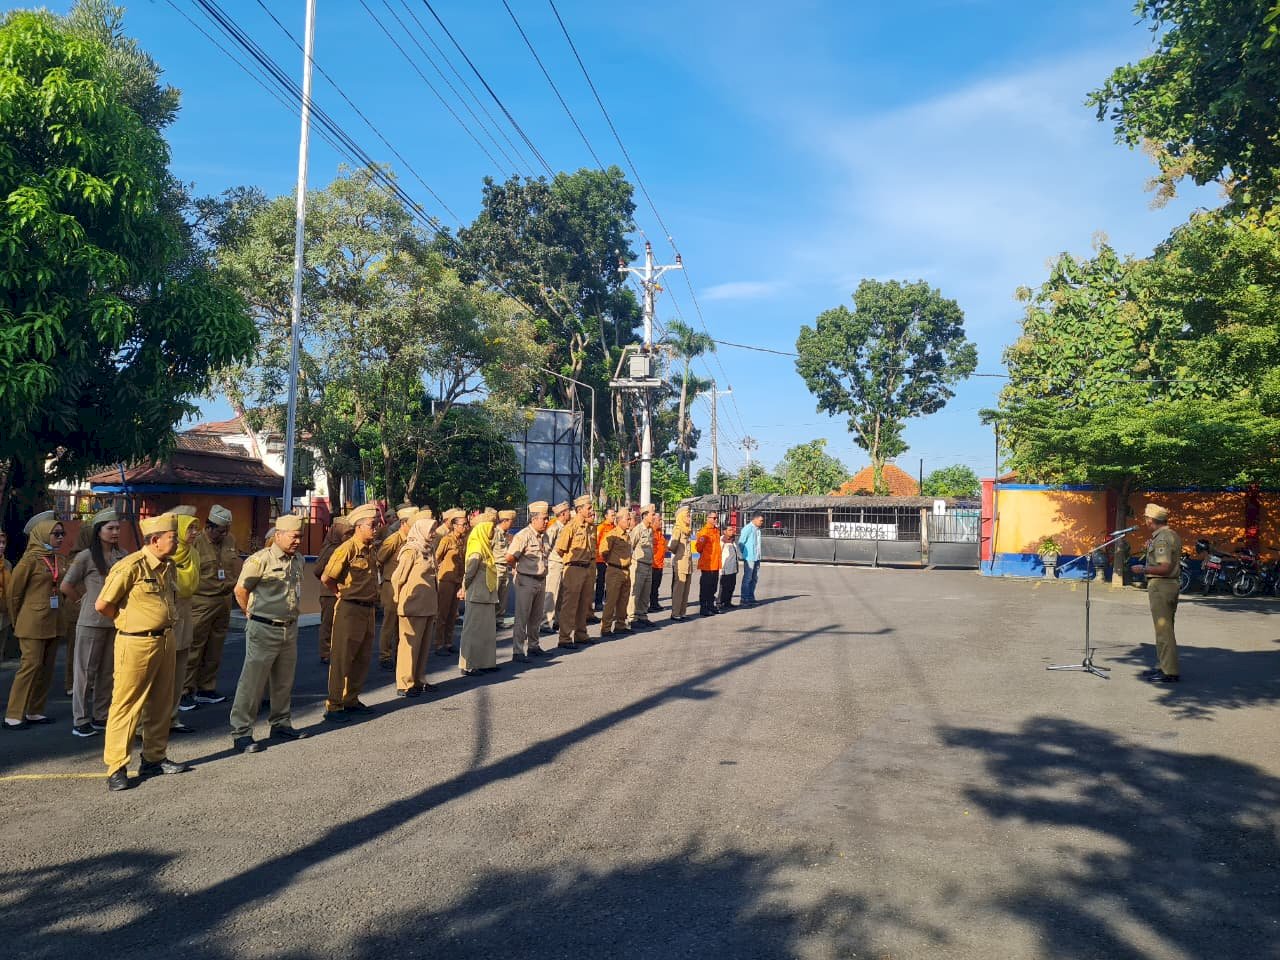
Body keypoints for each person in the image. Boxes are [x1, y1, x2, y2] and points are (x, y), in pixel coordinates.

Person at [96, 513, 189, 791]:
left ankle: (154, 757)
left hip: (165, 640)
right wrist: (129, 623)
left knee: (162, 702)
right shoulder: (131, 566)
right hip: (135, 642)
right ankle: (116, 767)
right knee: (127, 705)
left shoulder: (168, 566)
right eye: (173, 537)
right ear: (155, 540)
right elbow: (104, 605)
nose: (177, 541)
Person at [228, 515, 309, 753]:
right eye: (294, 536)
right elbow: (241, 590)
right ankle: (242, 732)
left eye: (300, 537)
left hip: (289, 627)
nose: (297, 541)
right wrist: (249, 612)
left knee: (284, 681)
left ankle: (281, 723)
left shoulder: (299, 560)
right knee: (252, 683)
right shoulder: (259, 560)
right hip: (263, 627)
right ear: (278, 535)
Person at [61, 509, 125, 737]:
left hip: (114, 622)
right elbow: (65, 586)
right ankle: (80, 720)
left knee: (107, 672)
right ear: (99, 532)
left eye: (117, 528)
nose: (115, 532)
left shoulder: (123, 556)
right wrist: (83, 602)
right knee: (85, 673)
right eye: (110, 528)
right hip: (90, 622)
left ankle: (100, 715)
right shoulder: (85, 557)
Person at [4, 511, 66, 729]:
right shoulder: (28, 561)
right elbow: (14, 595)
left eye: (62, 534)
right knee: (30, 666)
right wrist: (17, 620)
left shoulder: (58, 559)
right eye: (55, 534)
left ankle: (35, 710)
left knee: (46, 668)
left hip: (54, 621)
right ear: (41, 535)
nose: (60, 537)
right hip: (31, 623)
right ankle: (13, 714)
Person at [320, 502, 381, 723]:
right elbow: (327, 577)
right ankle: (334, 705)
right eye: (372, 525)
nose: (376, 529)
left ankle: (351, 700)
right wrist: (339, 594)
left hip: (368, 610)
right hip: (349, 608)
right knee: (342, 659)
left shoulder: (371, 549)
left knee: (362, 658)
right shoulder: (347, 549)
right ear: (359, 526)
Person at [185, 505, 239, 707]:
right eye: (220, 530)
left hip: (223, 601)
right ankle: (185, 690)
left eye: (226, 530)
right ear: (209, 526)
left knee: (215, 648)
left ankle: (207, 688)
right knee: (194, 647)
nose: (223, 534)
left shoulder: (230, 540)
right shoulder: (195, 543)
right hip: (201, 601)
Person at [158, 507, 201, 734]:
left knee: (180, 670)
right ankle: (150, 722)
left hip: (185, 613)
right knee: (161, 673)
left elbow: (192, 585)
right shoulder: (164, 555)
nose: (194, 532)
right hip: (166, 617)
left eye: (195, 528)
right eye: (190, 528)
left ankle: (173, 717)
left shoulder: (193, 553)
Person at [1133, 503, 1182, 683]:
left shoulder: (1162, 538)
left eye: (1146, 518)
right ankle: (1164, 666)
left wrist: (1143, 568)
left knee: (1164, 630)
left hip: (1162, 585)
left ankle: (1169, 672)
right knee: (1164, 629)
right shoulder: (1169, 535)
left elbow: (1164, 567)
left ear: (1151, 520)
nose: (1145, 521)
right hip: (1167, 586)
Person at [390, 512, 438, 696]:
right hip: (412, 605)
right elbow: (397, 578)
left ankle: (419, 679)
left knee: (424, 645)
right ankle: (405, 683)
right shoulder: (411, 550)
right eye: (431, 530)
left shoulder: (428, 548)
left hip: (427, 605)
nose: (433, 533)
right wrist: (398, 598)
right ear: (421, 530)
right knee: (409, 646)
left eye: (434, 530)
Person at [507, 501, 551, 661]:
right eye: (544, 518)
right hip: (526, 579)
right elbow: (510, 557)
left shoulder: (544, 536)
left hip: (540, 579)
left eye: (547, 518)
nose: (547, 521)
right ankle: (518, 651)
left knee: (536, 616)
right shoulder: (523, 535)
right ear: (533, 519)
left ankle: (534, 646)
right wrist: (516, 570)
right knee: (522, 617)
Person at [377, 503, 417, 669]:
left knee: (403, 623)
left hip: (406, 586)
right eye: (412, 524)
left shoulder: (412, 540)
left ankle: (399, 654)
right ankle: (385, 655)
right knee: (389, 622)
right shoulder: (393, 539)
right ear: (403, 524)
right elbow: (379, 559)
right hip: (390, 585)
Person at [555, 495, 597, 648]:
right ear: (579, 510)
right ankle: (564, 638)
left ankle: (581, 634)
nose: (592, 511)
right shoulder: (570, 527)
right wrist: (571, 560)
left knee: (584, 604)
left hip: (587, 568)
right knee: (570, 605)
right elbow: (560, 549)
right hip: (573, 568)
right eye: (589, 508)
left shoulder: (589, 527)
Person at [459, 515, 499, 675]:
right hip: (477, 594)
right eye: (490, 529)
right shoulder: (476, 547)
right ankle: (468, 664)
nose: (493, 532)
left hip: (486, 594)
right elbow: (469, 573)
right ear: (483, 530)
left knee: (486, 631)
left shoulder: (485, 546)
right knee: (473, 631)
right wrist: (464, 588)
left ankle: (485, 663)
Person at [313, 516, 352, 664]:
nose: (347, 536)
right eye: (345, 533)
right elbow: (317, 570)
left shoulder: (344, 546)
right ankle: (325, 652)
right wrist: (330, 580)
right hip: (329, 592)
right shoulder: (330, 548)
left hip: (341, 592)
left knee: (341, 625)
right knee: (328, 624)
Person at [433, 509, 467, 656]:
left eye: (466, 524)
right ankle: (439, 644)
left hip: (457, 580)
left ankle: (448, 642)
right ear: (454, 525)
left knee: (453, 613)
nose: (465, 527)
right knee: (443, 613)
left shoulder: (462, 540)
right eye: (462, 524)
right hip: (446, 580)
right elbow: (436, 557)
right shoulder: (447, 540)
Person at [600, 510, 634, 638]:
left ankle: (620, 625)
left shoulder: (627, 535)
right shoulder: (612, 535)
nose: (629, 521)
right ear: (619, 520)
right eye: (627, 519)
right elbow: (603, 551)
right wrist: (611, 561)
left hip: (626, 570)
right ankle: (606, 628)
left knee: (623, 600)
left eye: (630, 519)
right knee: (611, 600)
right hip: (615, 570)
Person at [627, 504, 656, 630]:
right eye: (652, 514)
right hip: (638, 565)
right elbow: (630, 546)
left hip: (648, 565)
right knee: (635, 593)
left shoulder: (650, 530)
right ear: (645, 515)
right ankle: (632, 618)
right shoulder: (638, 529)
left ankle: (642, 615)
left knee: (645, 592)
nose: (654, 516)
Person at [543, 501, 570, 634]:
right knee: (552, 593)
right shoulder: (554, 528)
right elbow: (546, 547)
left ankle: (557, 621)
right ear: (563, 514)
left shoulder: (566, 527)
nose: (569, 514)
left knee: (561, 595)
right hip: (555, 563)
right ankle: (545, 622)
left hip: (564, 564)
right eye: (568, 512)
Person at [668, 507, 694, 621]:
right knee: (679, 589)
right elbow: (673, 546)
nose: (689, 518)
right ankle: (675, 612)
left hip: (688, 562)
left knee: (686, 589)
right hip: (680, 562)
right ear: (681, 517)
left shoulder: (688, 530)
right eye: (687, 516)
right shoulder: (678, 529)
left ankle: (682, 612)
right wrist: (678, 553)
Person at [695, 512, 723, 616]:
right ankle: (704, 608)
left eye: (717, 518)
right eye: (714, 518)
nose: (716, 519)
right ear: (708, 518)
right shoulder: (704, 531)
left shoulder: (716, 530)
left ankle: (711, 606)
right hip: (707, 564)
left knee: (713, 587)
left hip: (715, 563)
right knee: (705, 587)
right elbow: (698, 548)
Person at [493, 509, 516, 628]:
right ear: (505, 521)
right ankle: (490, 621)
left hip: (505, 568)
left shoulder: (507, 535)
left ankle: (499, 620)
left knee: (503, 597)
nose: (513, 523)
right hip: (496, 567)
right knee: (493, 596)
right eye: (511, 521)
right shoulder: (495, 533)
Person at [593, 506, 616, 613]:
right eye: (612, 515)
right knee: (601, 581)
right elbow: (596, 544)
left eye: (614, 515)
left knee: (611, 582)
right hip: (601, 560)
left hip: (612, 560)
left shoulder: (614, 527)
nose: (614, 517)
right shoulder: (601, 527)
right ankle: (598, 602)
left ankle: (609, 601)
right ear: (606, 516)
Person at [738, 513, 763, 606]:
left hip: (757, 557)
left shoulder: (757, 530)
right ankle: (744, 599)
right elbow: (741, 542)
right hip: (749, 558)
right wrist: (744, 554)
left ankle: (751, 597)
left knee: (754, 578)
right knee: (747, 578)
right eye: (760, 520)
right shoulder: (748, 528)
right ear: (755, 519)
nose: (762, 522)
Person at [718, 525, 740, 610]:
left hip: (733, 567)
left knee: (731, 586)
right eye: (730, 530)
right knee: (723, 586)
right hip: (724, 568)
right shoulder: (721, 541)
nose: (732, 531)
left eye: (732, 530)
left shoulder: (733, 541)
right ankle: (719, 603)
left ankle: (728, 602)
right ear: (724, 531)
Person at [648, 512, 667, 613]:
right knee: (651, 586)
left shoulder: (660, 533)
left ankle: (655, 603)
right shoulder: (650, 532)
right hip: (652, 564)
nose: (661, 522)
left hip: (660, 564)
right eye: (659, 520)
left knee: (656, 585)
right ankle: (650, 604)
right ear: (654, 521)